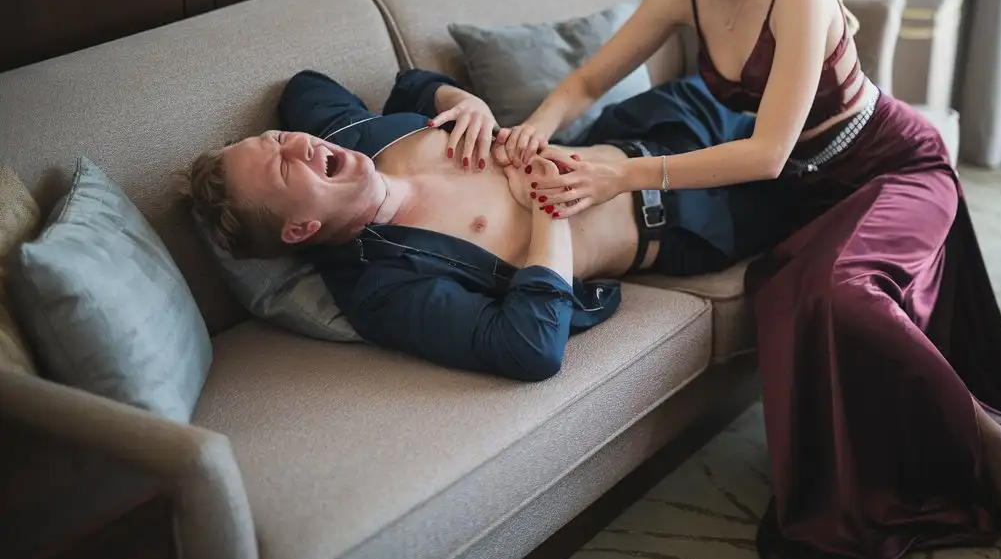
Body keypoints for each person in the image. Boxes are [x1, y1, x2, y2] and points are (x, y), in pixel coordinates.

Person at [491, 0, 1001, 559]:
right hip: (812, 196)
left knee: (842, 296)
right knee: (782, 291)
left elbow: (768, 151)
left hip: (891, 168)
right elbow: (587, 79)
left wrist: (624, 175)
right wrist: (534, 126)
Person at [182, 65, 794, 382]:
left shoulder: (342, 133)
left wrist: (460, 102)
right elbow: (530, 347)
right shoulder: (386, 291)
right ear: (300, 230)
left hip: (662, 123)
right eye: (288, 169)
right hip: (696, 214)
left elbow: (307, 86)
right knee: (849, 171)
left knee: (839, 99)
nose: (303, 147)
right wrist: (544, 208)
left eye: (279, 138)